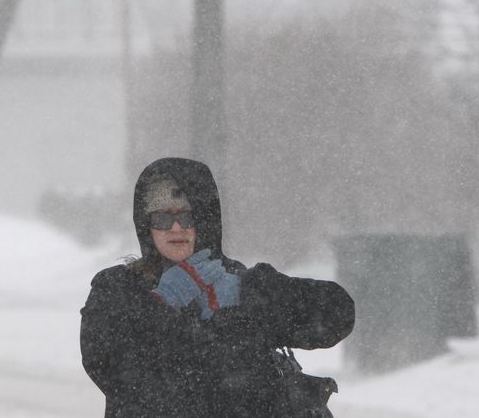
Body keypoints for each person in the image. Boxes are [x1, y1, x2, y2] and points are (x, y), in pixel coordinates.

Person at [80, 157, 354, 417]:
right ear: (146, 226)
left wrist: (253, 295)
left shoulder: (234, 281)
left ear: (204, 221)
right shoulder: (117, 289)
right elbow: (108, 366)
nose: (176, 228)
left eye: (187, 217)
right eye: (162, 219)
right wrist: (160, 305)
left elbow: (337, 313)